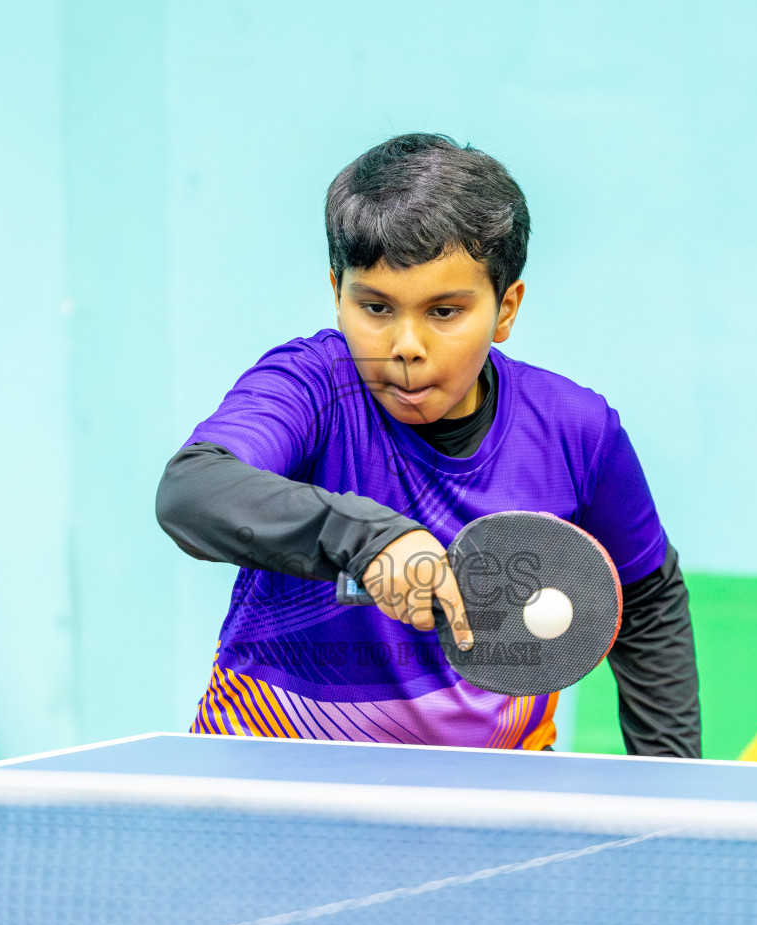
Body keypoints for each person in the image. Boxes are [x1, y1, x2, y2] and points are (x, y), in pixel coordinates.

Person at [155, 133, 699, 756]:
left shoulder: (576, 432)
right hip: (271, 776)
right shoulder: (307, 388)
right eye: (377, 307)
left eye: (444, 312)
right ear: (338, 294)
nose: (405, 345)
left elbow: (648, 596)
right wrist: (363, 536)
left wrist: (670, 791)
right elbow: (191, 489)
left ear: (505, 310)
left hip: (492, 786)